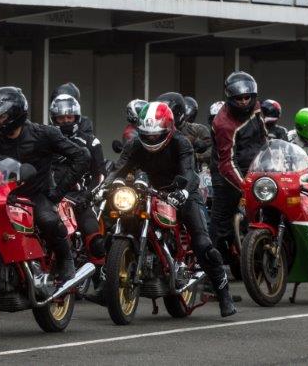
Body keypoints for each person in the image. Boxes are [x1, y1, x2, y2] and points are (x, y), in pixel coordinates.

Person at [105, 102, 236, 317]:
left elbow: (190, 173)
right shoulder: (135, 144)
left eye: (157, 135)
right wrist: (103, 186)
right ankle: (108, 282)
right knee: (116, 223)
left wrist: (183, 192)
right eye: (146, 134)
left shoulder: (181, 143)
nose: (151, 138)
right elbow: (120, 168)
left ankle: (224, 294)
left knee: (202, 243)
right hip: (148, 190)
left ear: (168, 130)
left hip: (183, 190)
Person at [0, 86, 88, 283]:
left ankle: (65, 259)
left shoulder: (43, 134)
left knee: (48, 220)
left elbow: (81, 156)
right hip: (2, 196)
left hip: (35, 196)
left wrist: (57, 193)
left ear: (15, 114)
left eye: (0, 117)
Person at [209, 72, 267, 264]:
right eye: (238, 98)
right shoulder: (224, 124)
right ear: (230, 98)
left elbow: (263, 136)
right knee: (221, 224)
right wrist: (246, 188)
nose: (243, 102)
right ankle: (211, 282)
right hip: (226, 172)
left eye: (246, 97)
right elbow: (226, 163)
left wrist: (273, 156)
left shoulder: (256, 108)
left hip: (255, 165)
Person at [49, 93, 105, 266]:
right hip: (49, 195)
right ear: (53, 119)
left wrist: (87, 195)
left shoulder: (91, 142)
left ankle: (101, 276)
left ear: (77, 117)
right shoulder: (45, 139)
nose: (65, 121)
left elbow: (100, 174)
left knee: (94, 238)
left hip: (80, 197)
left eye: (69, 117)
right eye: (60, 118)